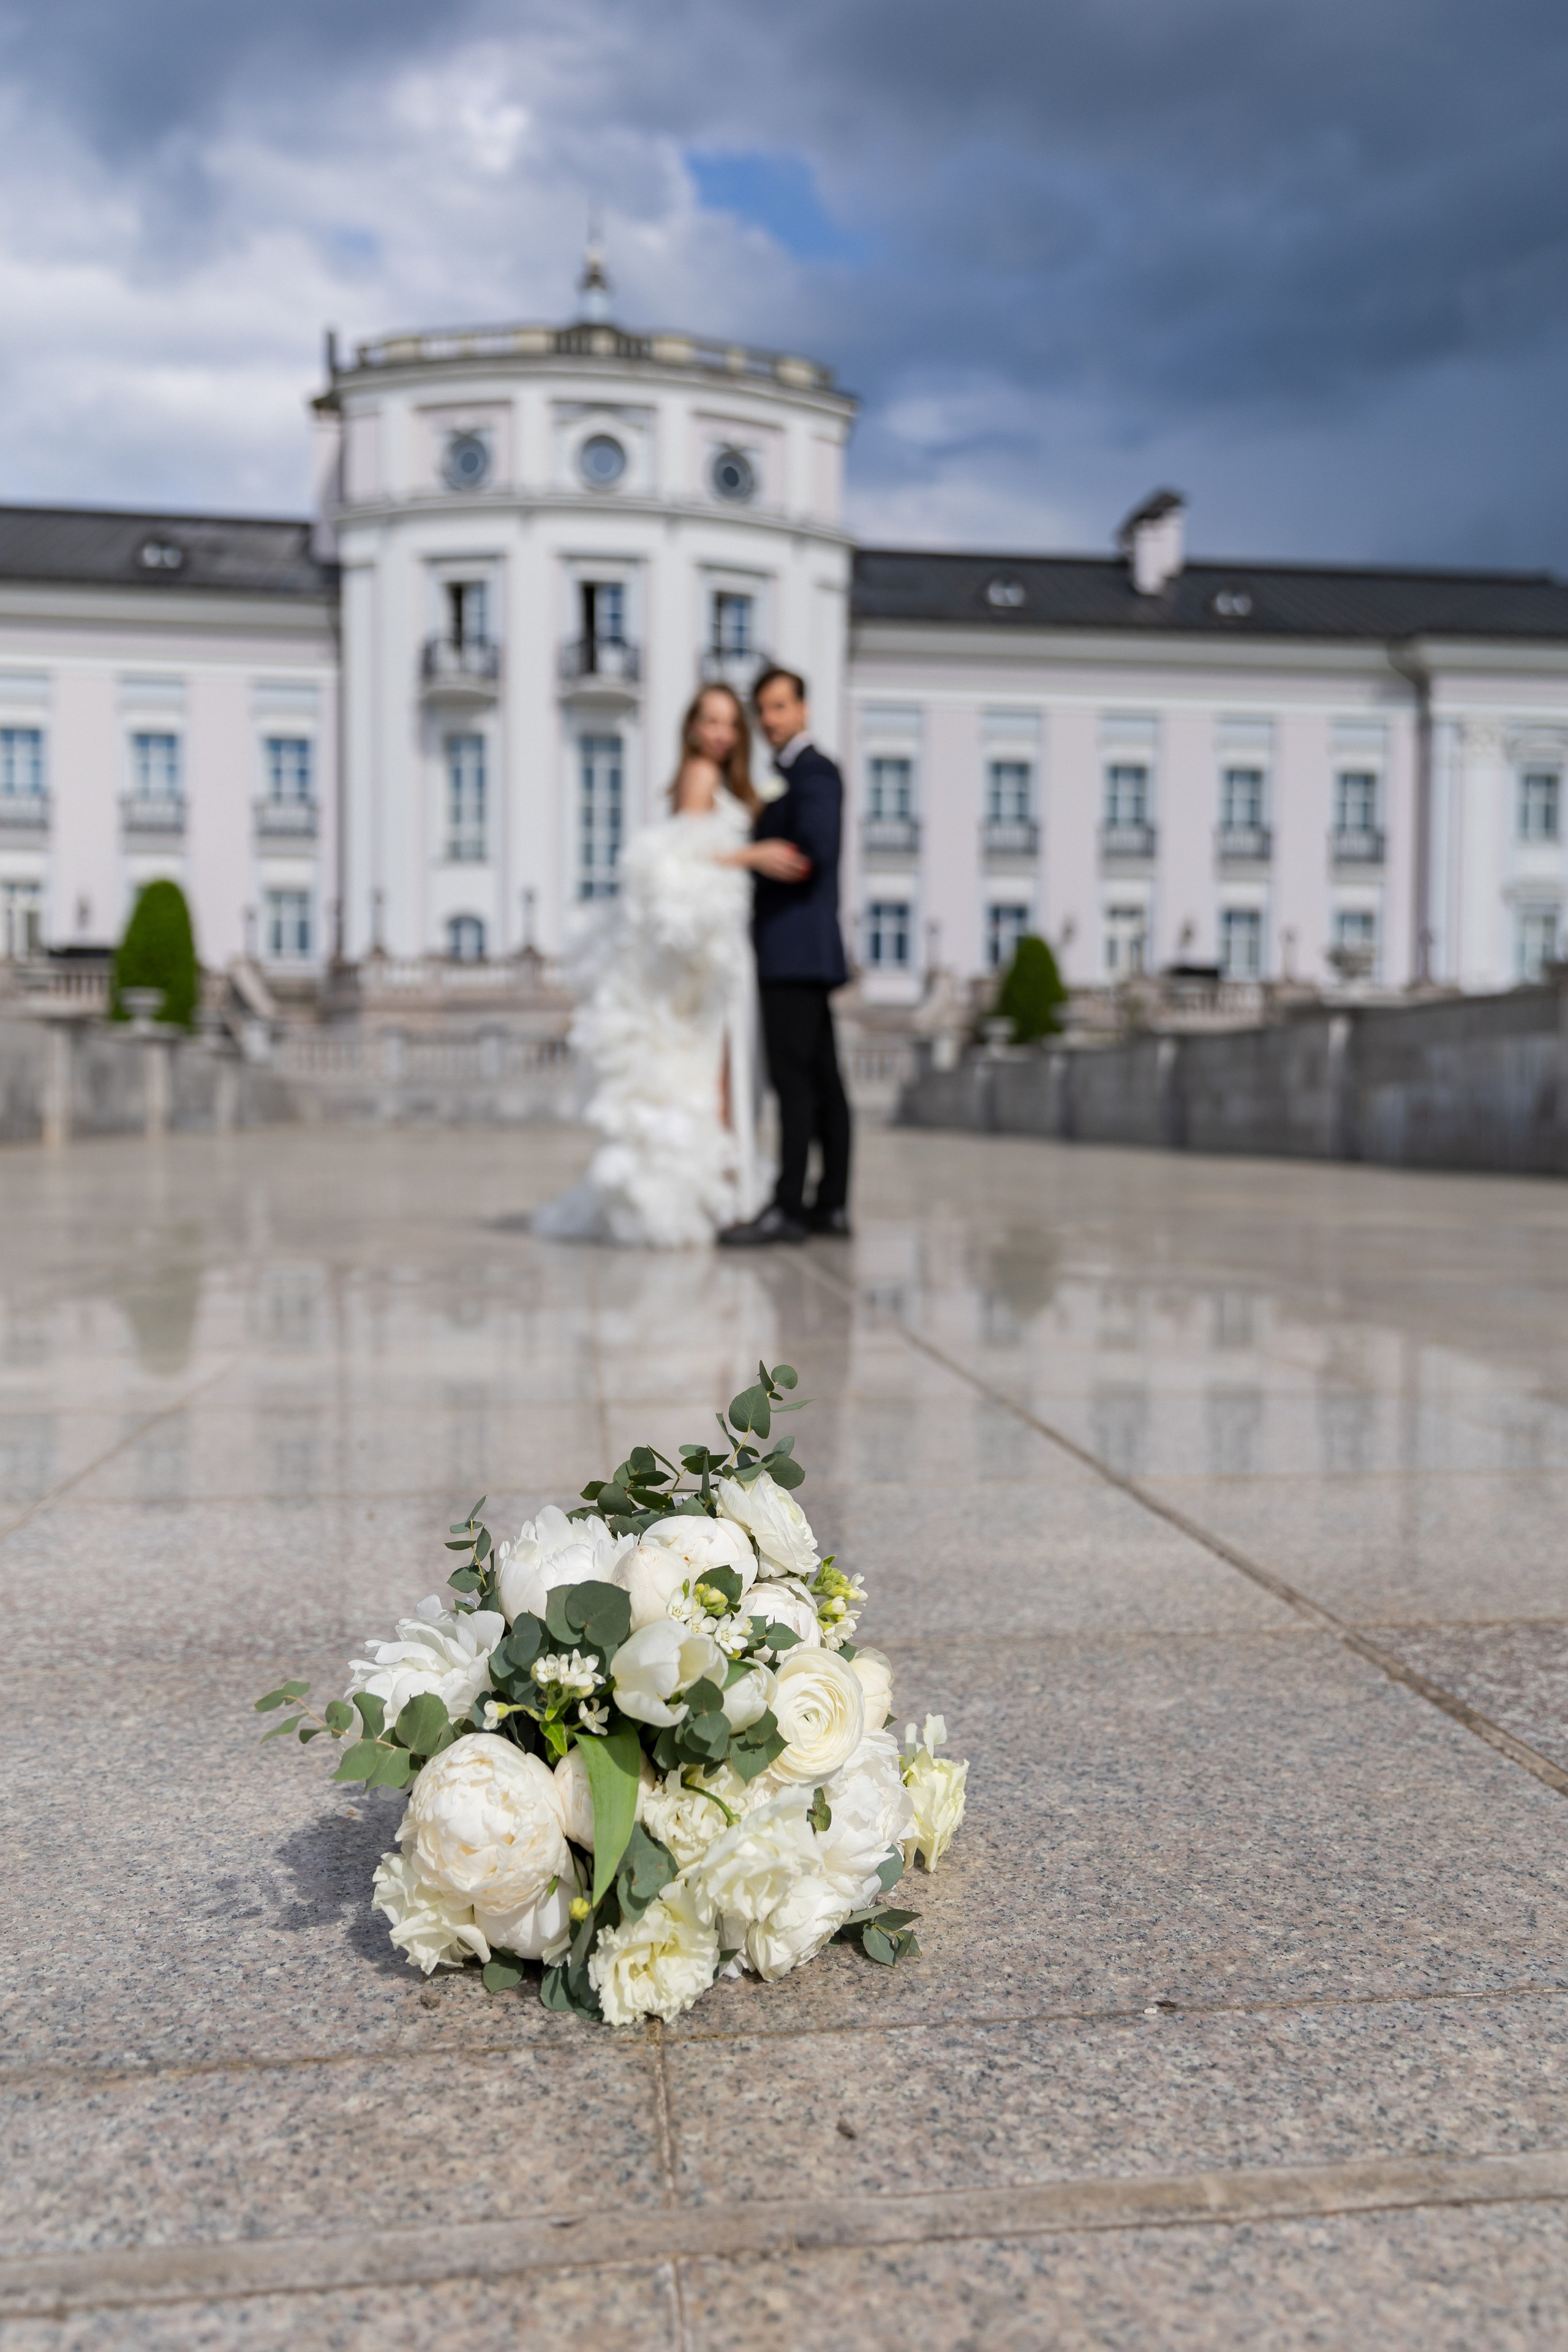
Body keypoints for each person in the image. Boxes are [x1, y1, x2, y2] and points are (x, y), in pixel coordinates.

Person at [532, 684, 778, 1247]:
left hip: (723, 935)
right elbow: (686, 857)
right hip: (715, 944)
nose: (719, 732)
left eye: (729, 724)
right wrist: (755, 854)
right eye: (710, 721)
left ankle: (719, 1184)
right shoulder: (700, 776)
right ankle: (721, 1188)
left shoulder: (713, 780)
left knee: (720, 1062)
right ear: (691, 727)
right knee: (718, 1064)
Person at [718, 667, 853, 1246]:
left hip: (792, 952)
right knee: (824, 1082)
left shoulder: (814, 772)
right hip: (799, 952)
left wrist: (751, 858)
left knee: (795, 1083)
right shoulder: (789, 776)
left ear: (803, 709)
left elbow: (811, 854)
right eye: (763, 710)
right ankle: (830, 1205)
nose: (770, 721)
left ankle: (790, 1208)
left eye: (779, 707)